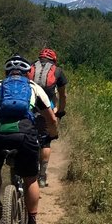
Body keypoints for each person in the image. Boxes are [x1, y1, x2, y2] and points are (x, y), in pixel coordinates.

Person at [0, 54, 58, 224]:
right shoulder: (33, 87)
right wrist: (52, 134)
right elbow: (51, 118)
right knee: (30, 179)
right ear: (29, 74)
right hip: (25, 134)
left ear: (5, 73)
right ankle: (32, 223)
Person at [28, 48, 68, 187]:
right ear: (54, 59)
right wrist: (60, 112)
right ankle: (42, 176)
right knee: (45, 142)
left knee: (27, 138)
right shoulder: (57, 71)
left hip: (27, 110)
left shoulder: (30, 67)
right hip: (47, 110)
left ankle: (26, 170)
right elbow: (63, 95)